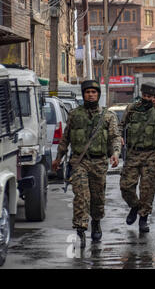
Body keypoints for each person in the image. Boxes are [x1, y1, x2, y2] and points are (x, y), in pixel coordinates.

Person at [52, 80, 121, 248]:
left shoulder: (107, 116)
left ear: (98, 94)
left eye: (94, 92)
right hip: (79, 162)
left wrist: (116, 153)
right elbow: (65, 138)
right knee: (81, 196)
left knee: (97, 198)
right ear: (83, 95)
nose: (90, 94)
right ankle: (81, 229)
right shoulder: (75, 115)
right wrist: (58, 157)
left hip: (99, 162)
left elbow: (114, 137)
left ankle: (96, 221)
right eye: (87, 92)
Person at [119, 82, 155, 233]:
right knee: (126, 186)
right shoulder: (132, 109)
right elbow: (120, 125)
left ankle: (143, 218)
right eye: (144, 95)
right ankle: (135, 206)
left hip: (150, 154)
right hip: (133, 153)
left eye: (150, 97)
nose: (146, 98)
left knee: (148, 189)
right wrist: (119, 137)